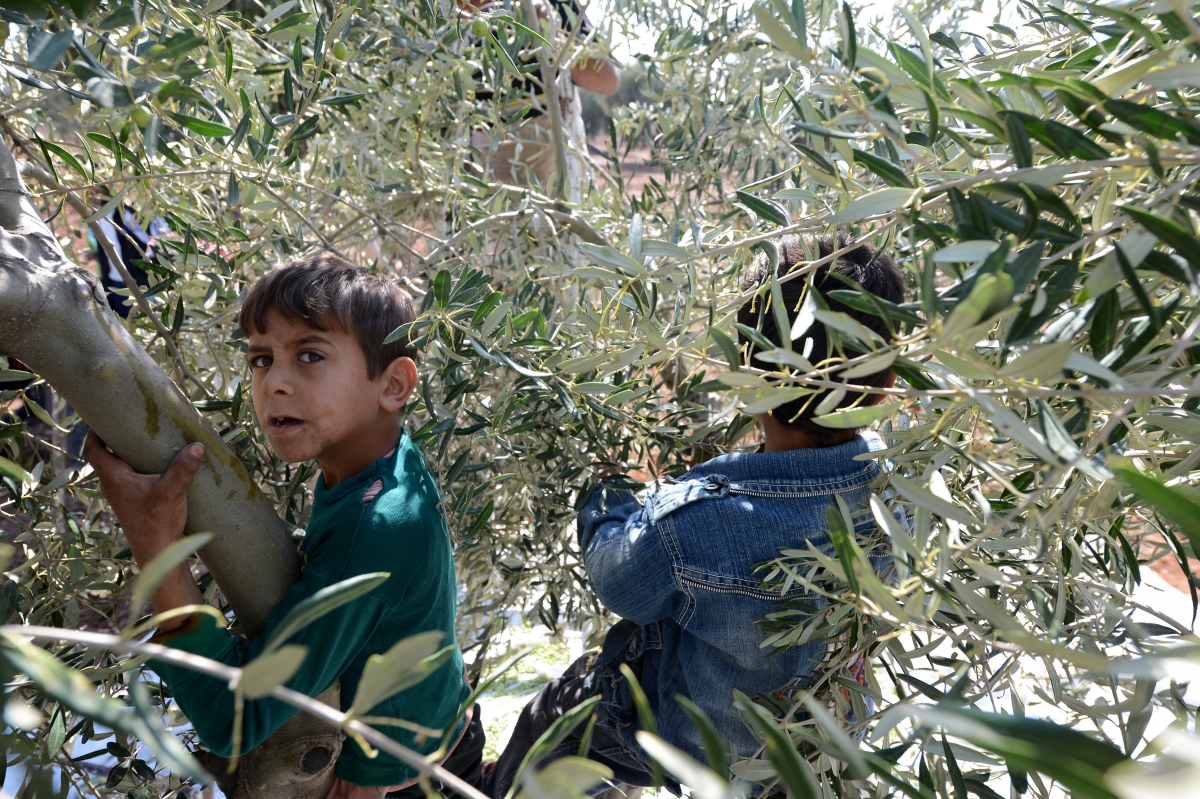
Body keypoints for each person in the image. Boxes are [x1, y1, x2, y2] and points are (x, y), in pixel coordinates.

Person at [483, 234, 905, 797]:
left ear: (749, 380)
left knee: (552, 723)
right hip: (817, 755)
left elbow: (619, 580)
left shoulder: (699, 524)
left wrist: (611, 490)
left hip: (693, 745)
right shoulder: (903, 498)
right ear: (884, 389)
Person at [82, 254, 484, 799]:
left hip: (407, 781)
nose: (274, 383)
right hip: (442, 725)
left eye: (310, 355)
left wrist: (154, 546)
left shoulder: (377, 524)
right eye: (261, 360)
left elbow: (233, 720)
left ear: (393, 385)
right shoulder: (379, 464)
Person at [466, 0, 619, 199]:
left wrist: (550, 31)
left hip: (555, 169)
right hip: (487, 175)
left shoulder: (554, 4)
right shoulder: (456, 20)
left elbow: (607, 80)